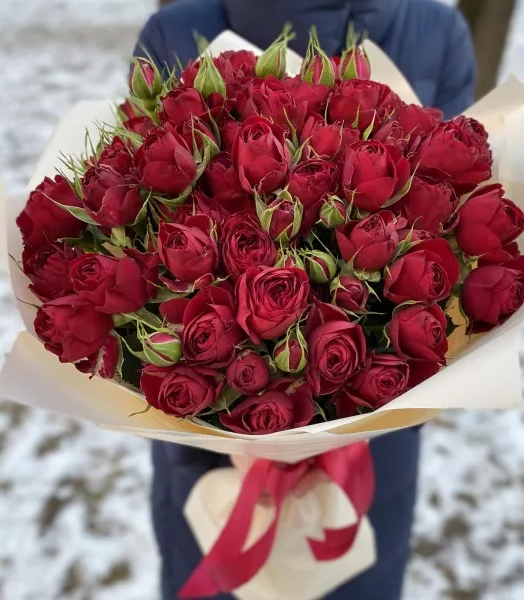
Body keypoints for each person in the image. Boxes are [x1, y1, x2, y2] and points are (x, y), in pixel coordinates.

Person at [133, 1, 475, 599]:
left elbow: (458, 208)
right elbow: (143, 213)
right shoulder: (174, 30)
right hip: (208, 453)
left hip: (375, 435)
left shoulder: (436, 30)